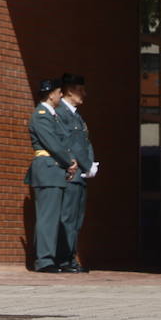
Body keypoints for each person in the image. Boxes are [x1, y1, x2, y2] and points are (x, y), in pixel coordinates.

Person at [25, 77, 78, 273]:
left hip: (55, 169)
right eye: (58, 92)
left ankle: (50, 257)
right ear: (50, 94)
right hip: (47, 168)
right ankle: (45, 260)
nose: (60, 95)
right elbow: (52, 143)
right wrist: (69, 161)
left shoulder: (52, 115)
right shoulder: (41, 115)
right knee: (48, 217)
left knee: (54, 217)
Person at [57, 72, 97, 273]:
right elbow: (71, 145)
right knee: (68, 218)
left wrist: (91, 164)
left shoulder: (77, 116)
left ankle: (70, 256)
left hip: (80, 173)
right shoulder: (61, 113)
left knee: (77, 218)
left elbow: (85, 142)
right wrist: (86, 163)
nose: (84, 94)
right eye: (80, 90)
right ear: (69, 91)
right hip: (71, 174)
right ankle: (64, 259)